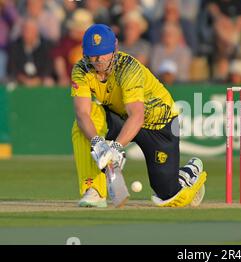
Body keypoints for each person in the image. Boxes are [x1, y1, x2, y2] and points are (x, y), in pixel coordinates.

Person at [71, 24, 207, 208]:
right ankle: (94, 190)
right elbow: (83, 113)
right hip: (121, 117)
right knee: (85, 124)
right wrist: (98, 143)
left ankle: (189, 173)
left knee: (168, 197)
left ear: (115, 48)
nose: (98, 60)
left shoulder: (129, 68)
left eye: (103, 53)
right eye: (92, 54)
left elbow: (137, 116)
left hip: (159, 123)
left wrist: (116, 148)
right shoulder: (81, 70)